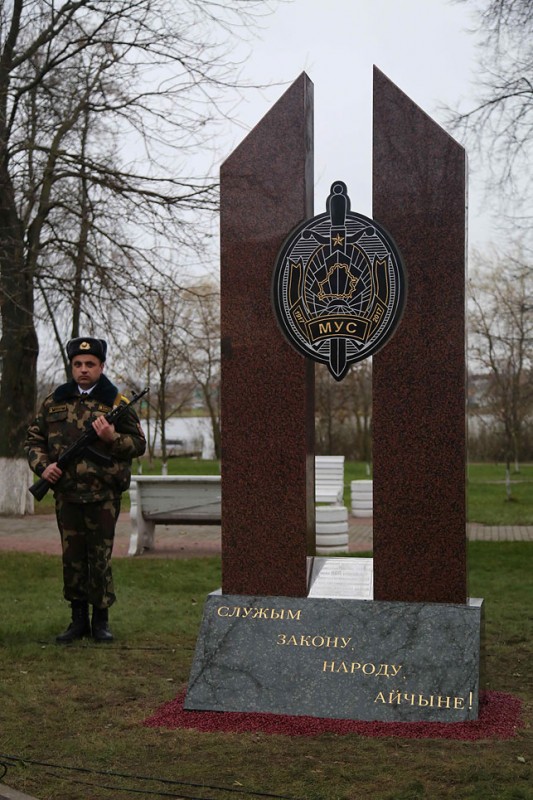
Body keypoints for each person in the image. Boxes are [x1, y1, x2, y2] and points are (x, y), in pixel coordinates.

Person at [25, 337, 146, 644]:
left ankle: (101, 621)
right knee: (73, 559)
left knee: (100, 559)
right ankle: (77, 620)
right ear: (72, 366)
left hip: (103, 496)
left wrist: (112, 437)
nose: (83, 370)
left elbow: (139, 445)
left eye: (90, 364)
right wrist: (43, 467)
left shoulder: (115, 403)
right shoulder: (54, 401)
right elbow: (34, 440)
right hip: (67, 495)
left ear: (101, 366)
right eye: (78, 364)